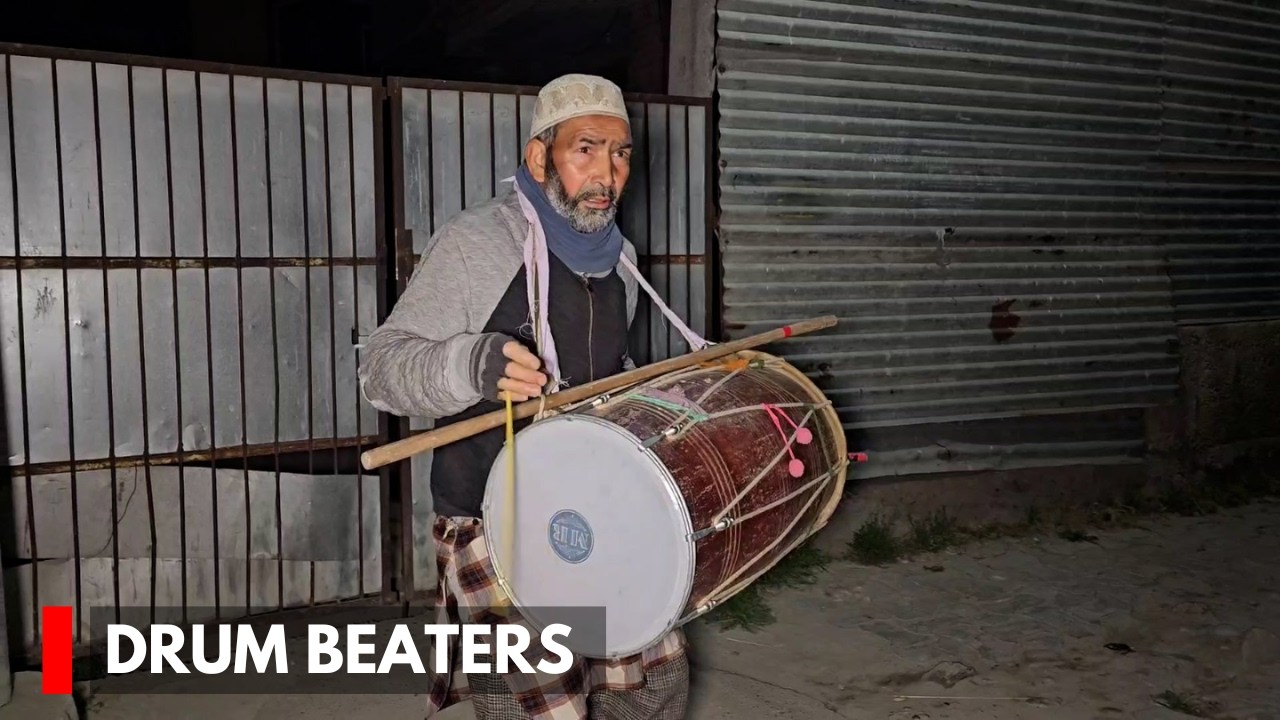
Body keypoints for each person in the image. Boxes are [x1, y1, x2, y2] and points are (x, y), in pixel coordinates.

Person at [359, 74, 690, 719]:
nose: (608, 174)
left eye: (621, 153)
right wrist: (470, 362)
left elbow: (608, 370)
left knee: (654, 684)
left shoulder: (616, 256)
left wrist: (660, 404)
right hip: (494, 517)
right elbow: (380, 369)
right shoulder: (479, 243)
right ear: (539, 157)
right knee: (537, 708)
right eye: (585, 149)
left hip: (595, 502)